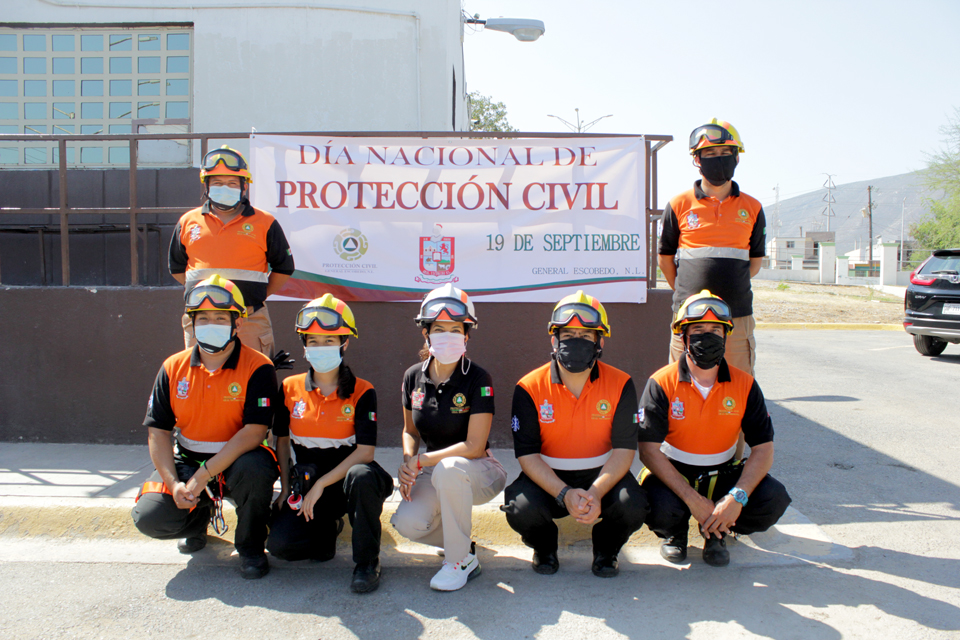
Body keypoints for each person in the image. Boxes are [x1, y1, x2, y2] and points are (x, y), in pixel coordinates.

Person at [131, 274, 279, 579]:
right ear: (192, 323)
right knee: (150, 517)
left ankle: (251, 546)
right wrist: (174, 484)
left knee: (256, 470)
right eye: (203, 318)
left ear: (237, 323)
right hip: (188, 459)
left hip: (239, 459)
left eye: (220, 318)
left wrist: (204, 475)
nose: (211, 324)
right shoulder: (173, 367)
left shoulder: (259, 366)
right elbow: (158, 432)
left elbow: (254, 432)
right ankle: (197, 520)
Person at [638, 290, 791, 567]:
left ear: (726, 335)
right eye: (698, 330)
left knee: (773, 498)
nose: (707, 337)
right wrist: (692, 499)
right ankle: (674, 532)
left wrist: (736, 497)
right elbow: (648, 450)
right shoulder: (661, 382)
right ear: (683, 335)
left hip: (723, 473)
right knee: (650, 502)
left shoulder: (745, 384)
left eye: (715, 330)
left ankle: (718, 530)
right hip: (675, 472)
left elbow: (763, 448)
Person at [502, 291, 648, 578]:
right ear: (554, 339)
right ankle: (544, 547)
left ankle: (607, 549)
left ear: (600, 342)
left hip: (601, 473)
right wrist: (564, 493)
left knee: (634, 505)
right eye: (568, 334)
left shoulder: (621, 383)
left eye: (585, 335)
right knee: (519, 507)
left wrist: (596, 492)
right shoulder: (529, 387)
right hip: (549, 475)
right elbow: (528, 456)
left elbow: (624, 451)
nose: (576, 341)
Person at [266, 294, 393, 594]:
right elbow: (281, 441)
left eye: (329, 341)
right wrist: (286, 488)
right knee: (281, 546)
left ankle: (367, 563)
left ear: (344, 343)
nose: (320, 347)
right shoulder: (289, 388)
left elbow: (365, 452)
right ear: (304, 344)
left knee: (362, 476)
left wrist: (323, 483)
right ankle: (327, 531)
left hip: (349, 482)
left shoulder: (363, 391)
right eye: (313, 341)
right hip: (308, 484)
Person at [391, 284, 507, 592]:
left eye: (456, 329)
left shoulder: (478, 378)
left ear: (467, 335)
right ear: (426, 333)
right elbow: (410, 431)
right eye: (439, 328)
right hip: (432, 469)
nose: (447, 336)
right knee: (407, 522)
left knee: (450, 468)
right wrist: (408, 463)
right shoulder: (413, 376)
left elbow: (475, 446)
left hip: (478, 470)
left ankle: (458, 562)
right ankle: (462, 545)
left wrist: (421, 460)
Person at [658, 119, 765, 378]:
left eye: (725, 152)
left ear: (737, 157)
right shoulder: (678, 204)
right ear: (697, 159)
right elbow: (664, 260)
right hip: (688, 316)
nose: (718, 159)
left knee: (738, 385)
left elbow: (754, 264)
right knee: (682, 385)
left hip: (737, 315)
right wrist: (687, 292)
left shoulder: (752, 207)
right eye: (710, 153)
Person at [169, 145, 296, 358]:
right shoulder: (188, 221)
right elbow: (177, 267)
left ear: (244, 186)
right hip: (201, 320)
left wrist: (257, 296)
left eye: (232, 183)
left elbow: (284, 267)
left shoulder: (265, 222)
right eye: (217, 183)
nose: (224, 188)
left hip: (249, 319)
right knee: (200, 374)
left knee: (254, 375)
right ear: (207, 185)